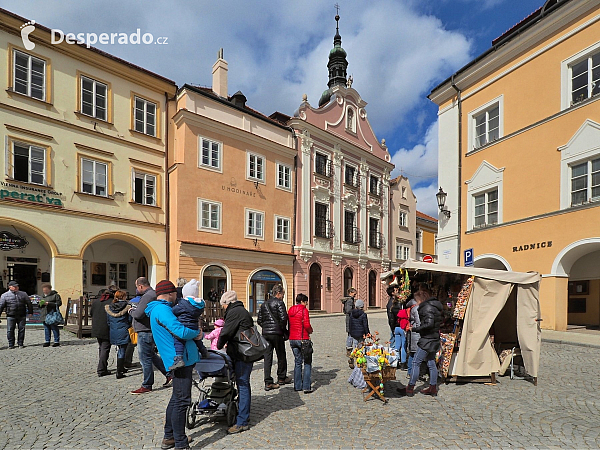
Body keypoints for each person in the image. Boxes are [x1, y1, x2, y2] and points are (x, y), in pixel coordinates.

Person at [145, 280, 201, 450]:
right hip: (179, 361)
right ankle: (181, 443)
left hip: (178, 359)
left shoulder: (158, 308)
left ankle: (169, 437)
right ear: (170, 293)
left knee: (176, 399)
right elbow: (180, 330)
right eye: (175, 293)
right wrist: (198, 333)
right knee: (182, 401)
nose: (177, 296)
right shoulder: (162, 309)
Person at [217, 291, 254, 434]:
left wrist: (218, 345)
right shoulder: (240, 310)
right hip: (242, 352)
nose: (223, 308)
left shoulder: (235, 312)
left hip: (242, 354)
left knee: (243, 383)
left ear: (228, 303)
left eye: (224, 305)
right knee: (243, 383)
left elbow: (226, 332)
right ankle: (244, 414)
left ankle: (242, 422)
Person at [399, 289, 443, 397]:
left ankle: (410, 388)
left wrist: (415, 329)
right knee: (431, 362)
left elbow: (429, 323)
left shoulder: (427, 307)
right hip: (433, 338)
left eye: (417, 300)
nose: (417, 303)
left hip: (427, 339)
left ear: (421, 299)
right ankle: (433, 387)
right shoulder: (434, 306)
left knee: (416, 362)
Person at [130, 277, 170, 394]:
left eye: (137, 287)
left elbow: (138, 314)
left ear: (141, 286)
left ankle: (147, 384)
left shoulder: (148, 296)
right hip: (148, 330)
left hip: (145, 331)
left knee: (145, 359)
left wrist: (130, 311)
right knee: (151, 355)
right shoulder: (153, 294)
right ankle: (169, 374)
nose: (137, 289)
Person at [257, 284, 291, 391]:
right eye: (283, 294)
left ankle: (268, 381)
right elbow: (283, 318)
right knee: (281, 355)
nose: (283, 296)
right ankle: (281, 377)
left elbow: (259, 320)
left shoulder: (264, 304)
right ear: (278, 293)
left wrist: (266, 327)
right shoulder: (279, 303)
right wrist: (280, 328)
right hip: (277, 333)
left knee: (267, 357)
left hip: (266, 334)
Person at [170, 279, 208, 371]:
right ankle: (203, 351)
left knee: (178, 340)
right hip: (194, 326)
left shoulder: (183, 303)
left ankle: (179, 358)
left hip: (184, 326)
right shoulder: (199, 304)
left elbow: (174, 311)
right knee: (197, 339)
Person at [288, 293, 313, 394]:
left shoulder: (290, 310)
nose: (306, 304)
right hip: (303, 338)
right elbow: (306, 324)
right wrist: (310, 331)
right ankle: (306, 386)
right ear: (303, 301)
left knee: (297, 362)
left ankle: (297, 386)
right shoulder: (304, 310)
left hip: (292, 338)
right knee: (307, 362)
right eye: (306, 302)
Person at [105, 290, 132, 379]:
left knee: (119, 349)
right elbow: (130, 320)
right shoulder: (127, 307)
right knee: (122, 350)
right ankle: (119, 371)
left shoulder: (110, 307)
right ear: (124, 297)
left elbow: (108, 321)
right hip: (123, 330)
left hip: (113, 330)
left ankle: (121, 368)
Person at [90, 285, 116, 376]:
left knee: (101, 347)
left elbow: (91, 313)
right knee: (105, 348)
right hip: (106, 328)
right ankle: (101, 369)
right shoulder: (112, 302)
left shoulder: (96, 302)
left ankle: (103, 367)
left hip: (97, 327)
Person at [0, 281, 33, 349]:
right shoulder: (5, 295)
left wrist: (30, 312)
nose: (16, 288)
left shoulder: (23, 294)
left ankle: (20, 343)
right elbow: (1, 306)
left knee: (21, 329)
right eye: (14, 286)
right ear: (10, 287)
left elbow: (29, 303)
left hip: (21, 314)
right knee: (10, 330)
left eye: (17, 286)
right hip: (11, 315)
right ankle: (11, 343)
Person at [348, 299, 370, 369]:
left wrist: (350, 332)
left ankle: (352, 357)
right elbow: (365, 325)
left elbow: (350, 324)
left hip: (354, 333)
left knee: (355, 347)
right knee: (361, 347)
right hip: (361, 333)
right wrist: (367, 333)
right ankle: (360, 362)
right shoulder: (363, 314)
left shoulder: (352, 314)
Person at [39, 283, 62, 347]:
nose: (45, 291)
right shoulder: (42, 296)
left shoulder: (55, 295)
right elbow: (39, 306)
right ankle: (47, 341)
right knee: (46, 328)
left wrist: (48, 303)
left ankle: (56, 341)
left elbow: (59, 303)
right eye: (44, 290)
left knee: (54, 328)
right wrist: (40, 304)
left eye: (46, 290)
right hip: (44, 314)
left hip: (52, 314)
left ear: (49, 289)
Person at [394, 301, 409, 371]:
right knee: (403, 346)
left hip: (396, 328)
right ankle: (403, 363)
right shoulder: (406, 312)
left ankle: (396, 362)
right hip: (403, 329)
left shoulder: (398, 311)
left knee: (397, 346)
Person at [341, 287, 357, 354]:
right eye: (354, 294)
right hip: (350, 319)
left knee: (350, 334)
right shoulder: (349, 300)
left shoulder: (349, 300)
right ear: (350, 293)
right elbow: (348, 310)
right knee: (351, 334)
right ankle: (349, 348)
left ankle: (349, 348)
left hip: (349, 318)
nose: (355, 295)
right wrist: (355, 311)